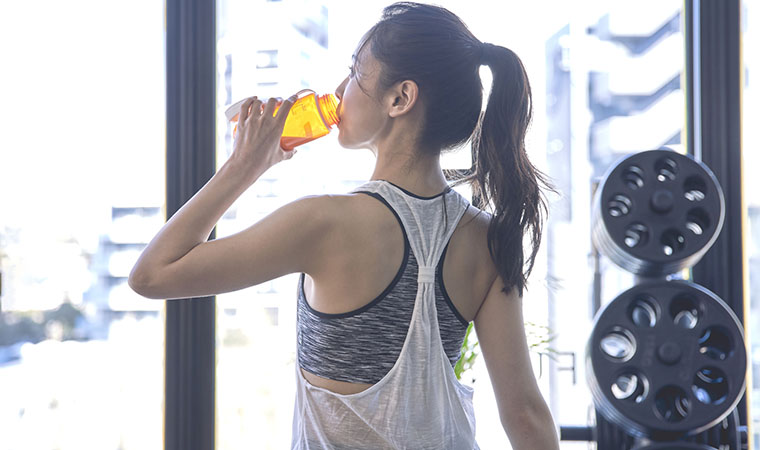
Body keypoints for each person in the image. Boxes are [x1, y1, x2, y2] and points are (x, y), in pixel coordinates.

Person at [129, 2, 560, 448]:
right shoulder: (485, 237)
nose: (339, 88)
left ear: (400, 99)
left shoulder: (324, 222)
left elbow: (151, 275)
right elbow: (526, 416)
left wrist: (243, 166)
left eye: (355, 72)